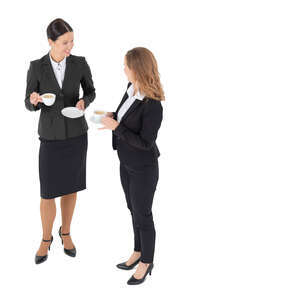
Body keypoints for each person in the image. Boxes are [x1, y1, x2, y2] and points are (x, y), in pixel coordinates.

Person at [24, 18, 96, 264]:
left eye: (72, 41)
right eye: (65, 42)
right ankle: (46, 239)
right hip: (50, 136)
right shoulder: (36, 67)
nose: (70, 46)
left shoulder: (79, 63)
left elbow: (90, 91)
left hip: (76, 134)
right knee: (47, 193)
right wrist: (34, 101)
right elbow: (28, 101)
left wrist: (84, 102)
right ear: (50, 42)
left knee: (71, 188)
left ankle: (65, 232)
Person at [100, 47, 164, 285]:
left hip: (143, 168)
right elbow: (124, 116)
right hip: (125, 163)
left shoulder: (153, 104)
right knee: (132, 209)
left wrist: (116, 127)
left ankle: (147, 261)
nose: (123, 69)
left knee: (143, 214)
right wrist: (112, 116)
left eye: (126, 65)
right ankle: (137, 251)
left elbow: (146, 142)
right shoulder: (131, 89)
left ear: (136, 69)